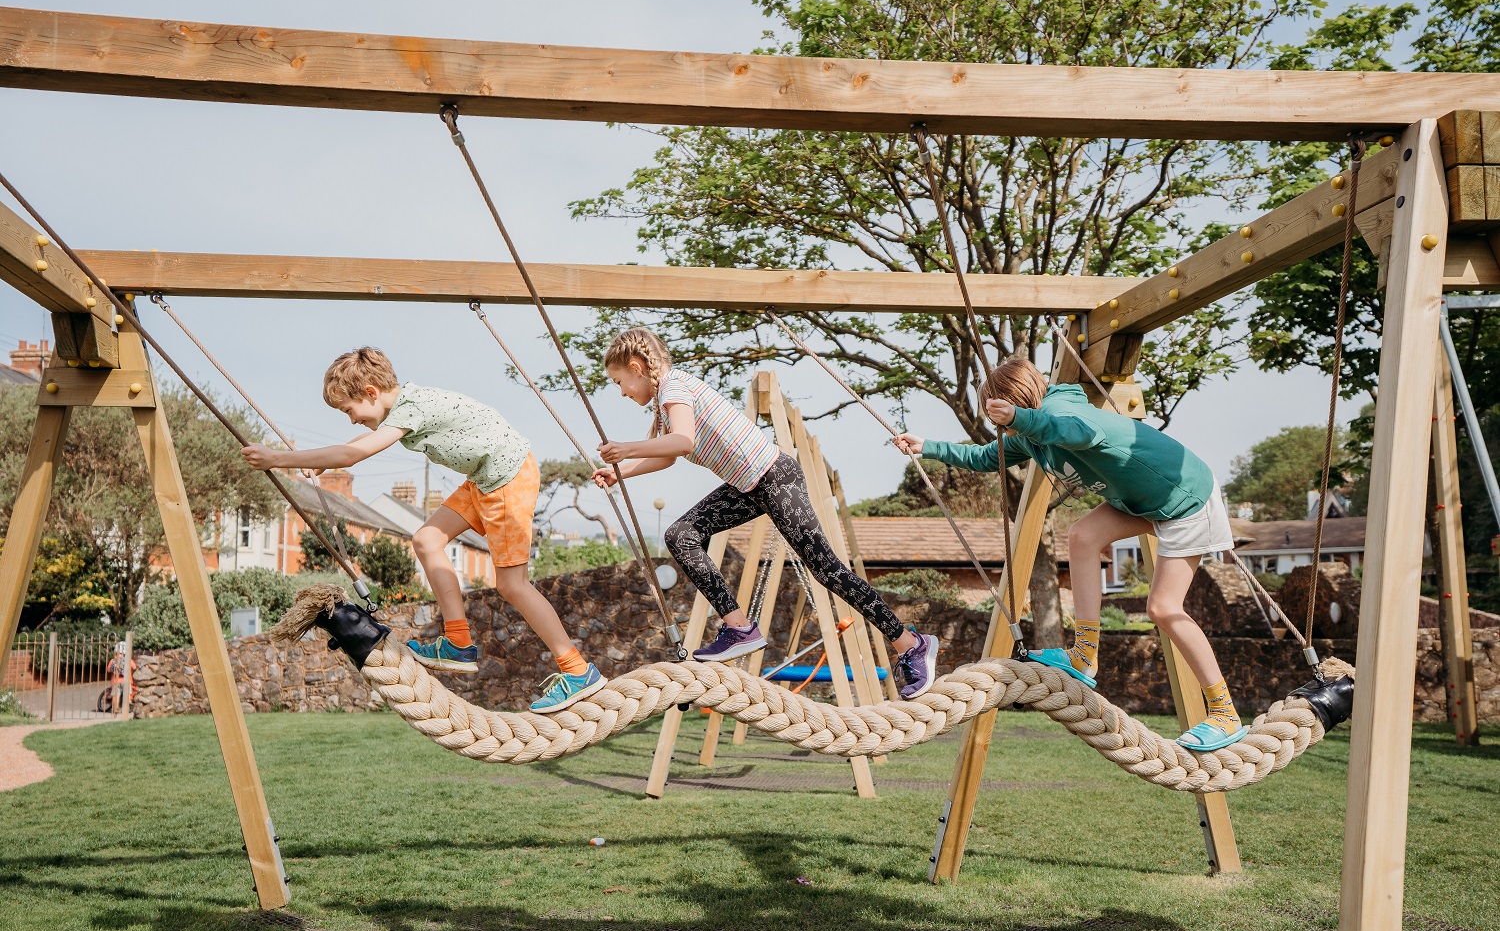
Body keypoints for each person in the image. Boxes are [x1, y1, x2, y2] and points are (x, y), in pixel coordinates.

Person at [893, 358, 1243, 752]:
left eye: (1001, 413)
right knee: (1082, 536)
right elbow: (987, 457)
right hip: (1139, 500)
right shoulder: (1029, 435)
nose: (1001, 425)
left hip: (1186, 498)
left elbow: (1080, 431)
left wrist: (1022, 418)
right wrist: (929, 447)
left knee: (1163, 608)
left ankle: (1225, 713)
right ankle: (1084, 656)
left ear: (1017, 400)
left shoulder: (1062, 411)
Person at [241, 347, 603, 713]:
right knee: (427, 539)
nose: (351, 420)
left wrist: (278, 459)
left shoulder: (411, 407)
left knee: (512, 584)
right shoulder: (406, 404)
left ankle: (577, 670)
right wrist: (317, 464)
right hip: (484, 479)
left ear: (370, 392)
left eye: (349, 410)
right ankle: (458, 643)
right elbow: (353, 446)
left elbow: (352, 455)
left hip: (507, 478)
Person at [590, 327, 941, 699]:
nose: (623, 392)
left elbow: (684, 440)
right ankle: (739, 627)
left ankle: (911, 643)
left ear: (637, 367)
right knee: (682, 535)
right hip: (751, 486)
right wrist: (620, 472)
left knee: (827, 571)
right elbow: (666, 454)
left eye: (620, 382)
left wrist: (626, 449)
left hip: (774, 477)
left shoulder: (674, 388)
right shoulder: (667, 396)